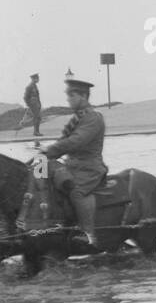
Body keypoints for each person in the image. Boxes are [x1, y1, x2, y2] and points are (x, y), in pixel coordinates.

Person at [42, 78, 107, 248]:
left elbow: (76, 142)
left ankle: (88, 235)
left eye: (72, 95)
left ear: (83, 96)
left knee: (76, 191)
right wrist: (43, 156)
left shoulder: (93, 118)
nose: (68, 98)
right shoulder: (78, 118)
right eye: (68, 94)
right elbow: (64, 141)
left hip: (88, 168)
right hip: (72, 166)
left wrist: (50, 150)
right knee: (41, 182)